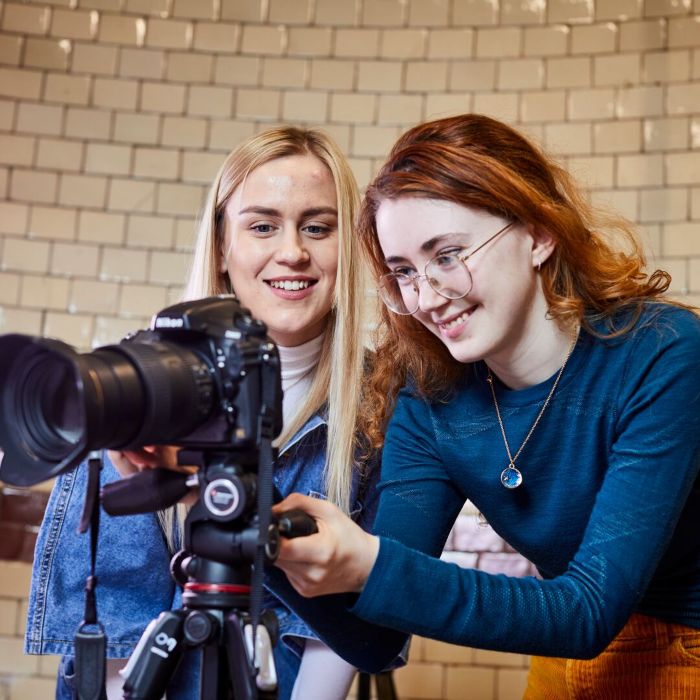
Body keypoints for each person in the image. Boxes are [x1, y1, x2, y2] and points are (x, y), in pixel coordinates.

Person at [268, 114, 700, 697]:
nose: (425, 297)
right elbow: (374, 641)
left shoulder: (662, 353)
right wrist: (254, 526)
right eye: (403, 273)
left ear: (539, 233)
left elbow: (589, 611)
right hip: (564, 654)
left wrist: (369, 565)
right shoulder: (429, 397)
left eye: (447, 255)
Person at [25, 126, 382, 700]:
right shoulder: (134, 385)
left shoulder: (381, 401)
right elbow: (115, 622)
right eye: (262, 225)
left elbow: (345, 631)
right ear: (222, 244)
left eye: (317, 227)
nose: (292, 251)